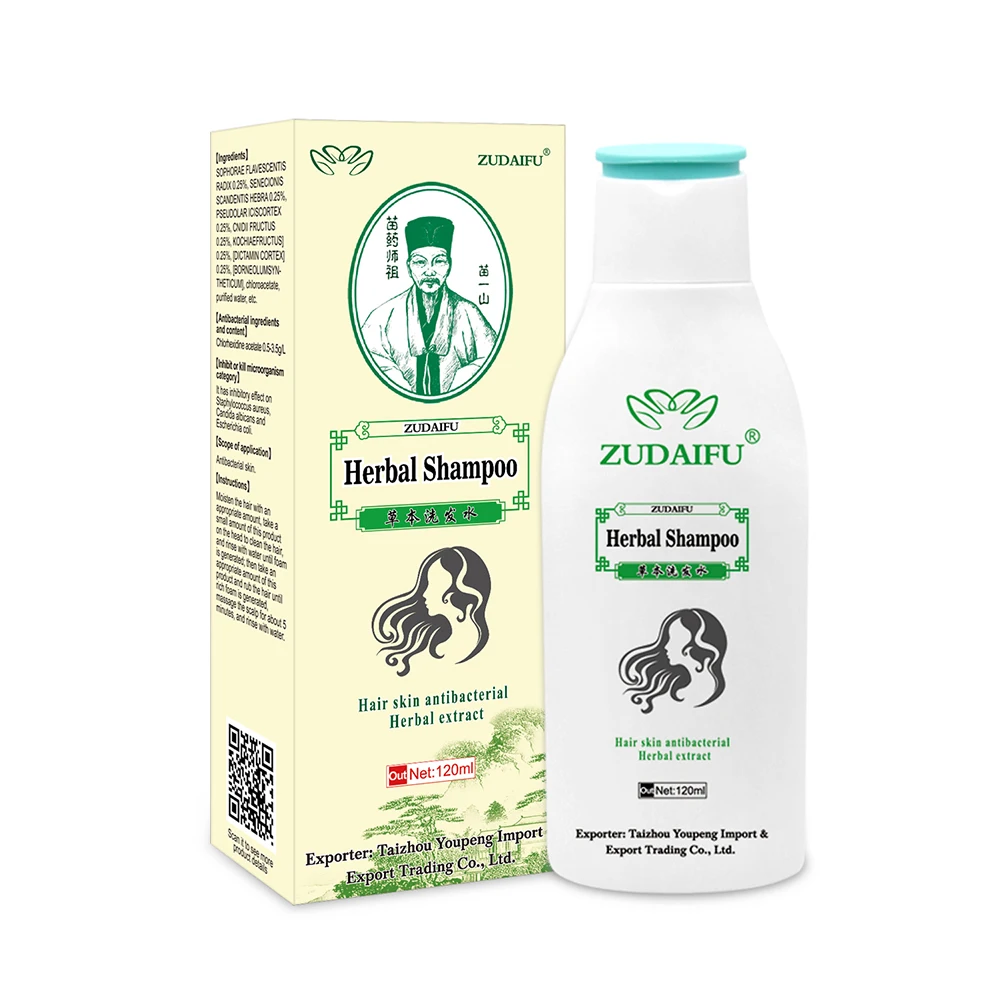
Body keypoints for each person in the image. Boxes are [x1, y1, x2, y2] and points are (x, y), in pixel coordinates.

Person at [361, 216, 497, 396]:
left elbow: (494, 360)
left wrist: (460, 381)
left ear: (449, 265)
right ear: (409, 267)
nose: (430, 271)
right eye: (420, 262)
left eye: (439, 261)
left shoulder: (469, 313)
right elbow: (368, 361)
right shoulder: (382, 317)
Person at [372, 547, 491, 676]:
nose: (423, 594)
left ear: (456, 592)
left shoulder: (464, 646)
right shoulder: (429, 640)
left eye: (432, 584)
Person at [618, 608, 728, 712]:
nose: (665, 647)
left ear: (693, 647)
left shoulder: (704, 693)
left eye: (673, 639)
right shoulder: (671, 688)